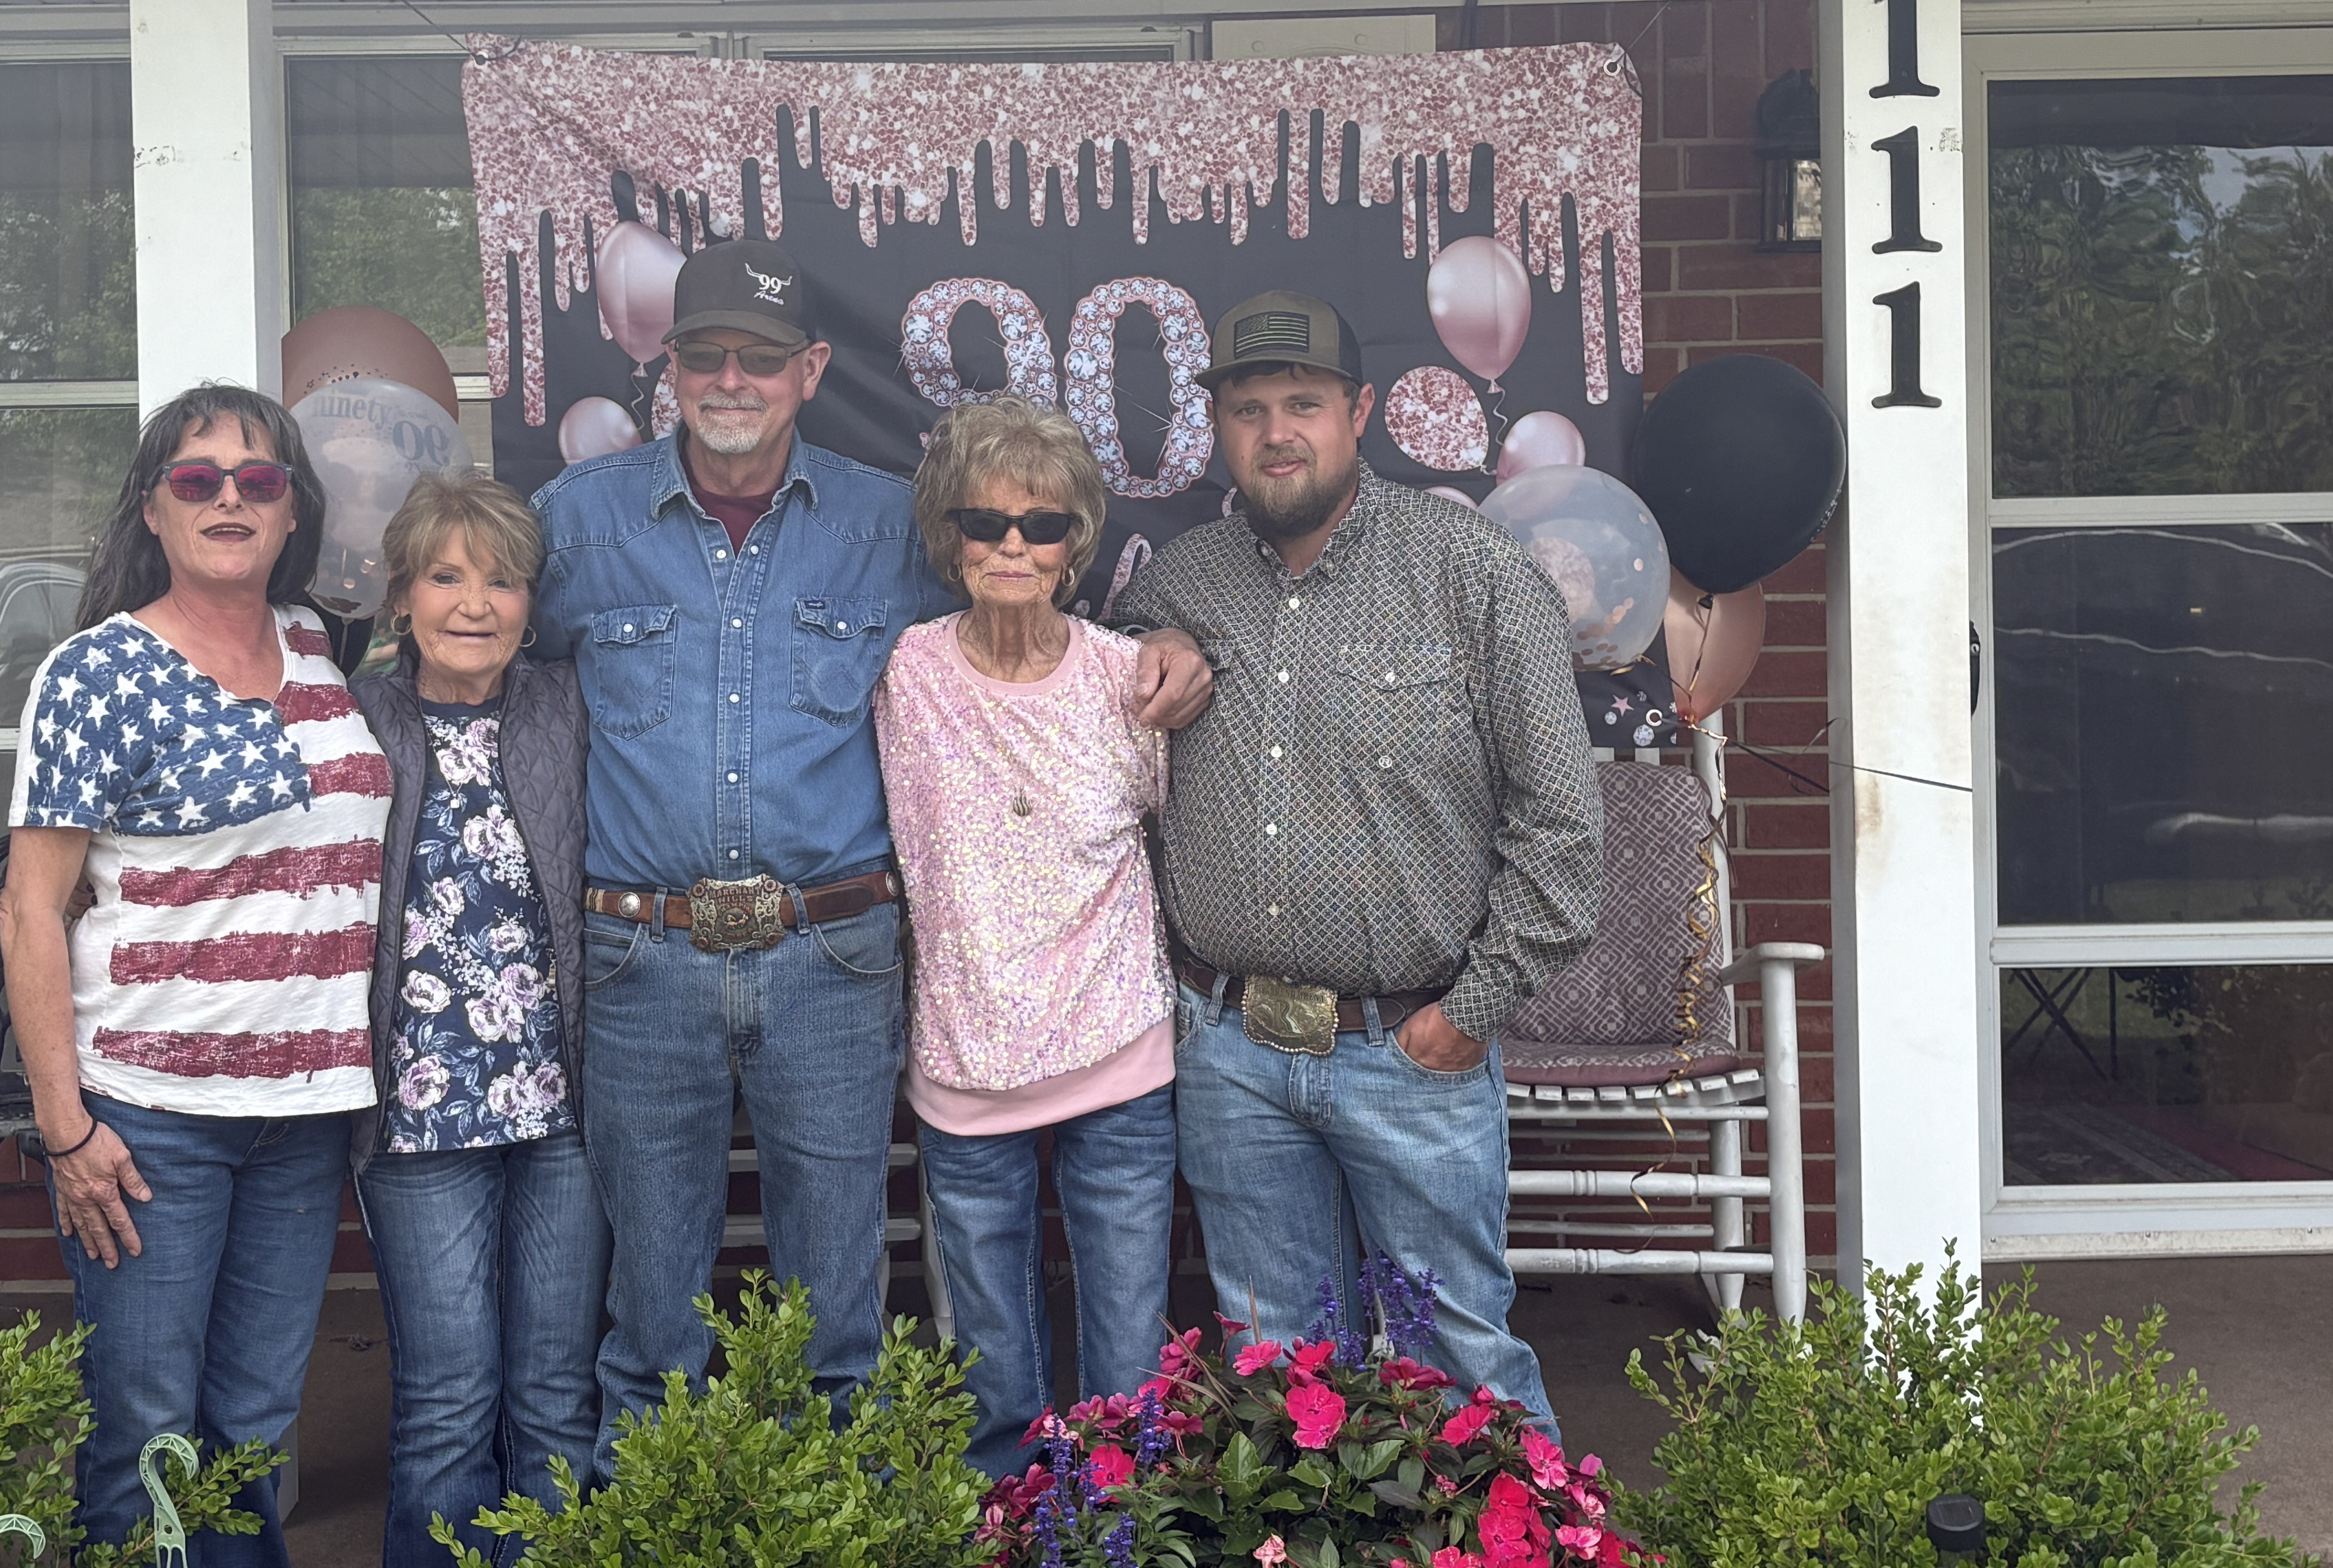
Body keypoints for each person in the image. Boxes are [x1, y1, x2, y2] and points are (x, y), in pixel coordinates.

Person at [529, 237, 1211, 1464]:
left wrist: (1174, 638)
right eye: (706, 354)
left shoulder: (888, 526)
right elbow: (481, 671)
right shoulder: (578, 525)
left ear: (810, 369)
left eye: (761, 358)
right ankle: (652, 1521)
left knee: (840, 1306)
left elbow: (1027, 616)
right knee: (650, 1303)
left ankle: (835, 1521)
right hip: (642, 957)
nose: (731, 380)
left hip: (830, 956)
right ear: (668, 366)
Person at [1111, 291, 1602, 1427]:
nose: (1276, 433)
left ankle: (1535, 1526)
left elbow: (1562, 825)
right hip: (1232, 1051)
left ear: (1361, 411)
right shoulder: (1183, 580)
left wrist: (1468, 1015)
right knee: (1277, 1377)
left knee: (1460, 1364)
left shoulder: (1473, 572)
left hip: (1411, 1047)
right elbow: (1105, 675)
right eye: (1249, 411)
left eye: (1304, 404)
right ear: (1219, 430)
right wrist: (1152, 637)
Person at [0, 384, 390, 1561]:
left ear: (292, 511)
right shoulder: (97, 674)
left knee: (254, 1427)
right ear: (154, 510)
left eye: (259, 480)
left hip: (306, 1114)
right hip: (149, 1119)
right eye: (197, 479)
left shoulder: (326, 648)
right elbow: (30, 910)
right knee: (144, 1429)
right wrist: (66, 1130)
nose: (230, 499)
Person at [872, 394, 1174, 1477]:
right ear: (947, 537)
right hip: (965, 1062)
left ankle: (1125, 1522)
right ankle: (1015, 1523)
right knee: (995, 1370)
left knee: (1129, 1353)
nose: (1013, 545)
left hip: (1119, 1051)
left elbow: (1172, 826)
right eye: (985, 522)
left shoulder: (1127, 676)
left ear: (1075, 542)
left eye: (1041, 525)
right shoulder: (904, 673)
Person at [349, 473, 607, 1564]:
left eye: (502, 582)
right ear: (401, 593)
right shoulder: (356, 718)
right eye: (446, 577)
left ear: (530, 603)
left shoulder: (567, 707)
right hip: (420, 1115)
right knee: (449, 1396)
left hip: (565, 1108)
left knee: (555, 1393)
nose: (473, 605)